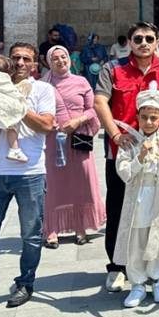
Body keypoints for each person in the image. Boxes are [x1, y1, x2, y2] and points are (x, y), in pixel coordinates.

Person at [0, 42, 56, 311]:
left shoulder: (42, 90)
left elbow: (47, 125)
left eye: (26, 58)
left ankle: (25, 283)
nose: (20, 63)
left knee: (31, 234)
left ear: (35, 63)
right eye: (15, 57)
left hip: (30, 173)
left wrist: (15, 105)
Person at [95, 22, 159, 293]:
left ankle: (153, 265)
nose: (143, 43)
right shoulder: (113, 69)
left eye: (149, 38)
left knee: (156, 210)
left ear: (157, 41)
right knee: (119, 209)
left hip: (158, 154)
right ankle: (118, 267)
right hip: (124, 152)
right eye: (138, 38)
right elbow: (100, 101)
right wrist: (114, 134)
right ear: (130, 42)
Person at [113, 84, 159, 307]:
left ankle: (158, 279)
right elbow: (125, 174)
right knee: (136, 242)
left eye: (153, 118)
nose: (148, 122)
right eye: (145, 117)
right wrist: (139, 155)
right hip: (137, 199)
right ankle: (137, 283)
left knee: (157, 240)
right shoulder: (128, 142)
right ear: (137, 116)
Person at [42, 45, 106, 248]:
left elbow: (93, 109)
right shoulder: (43, 85)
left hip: (79, 139)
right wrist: (48, 123)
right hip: (54, 140)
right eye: (55, 59)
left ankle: (80, 226)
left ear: (70, 59)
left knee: (82, 182)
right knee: (54, 183)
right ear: (49, 62)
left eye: (63, 57)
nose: (60, 61)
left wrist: (78, 121)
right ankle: (51, 228)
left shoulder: (81, 81)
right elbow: (36, 108)